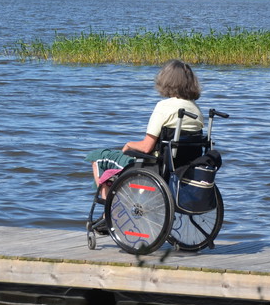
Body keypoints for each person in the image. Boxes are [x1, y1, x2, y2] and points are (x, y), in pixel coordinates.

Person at [86, 59, 204, 200]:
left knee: (97, 157)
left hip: (156, 166)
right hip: (182, 167)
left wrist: (129, 144)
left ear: (166, 81)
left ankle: (109, 210)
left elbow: (147, 147)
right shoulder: (196, 110)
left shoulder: (164, 106)